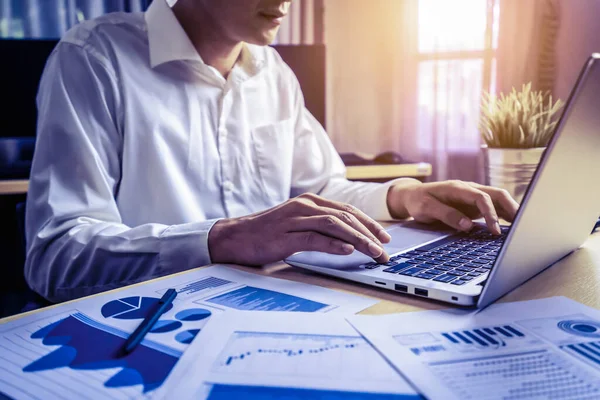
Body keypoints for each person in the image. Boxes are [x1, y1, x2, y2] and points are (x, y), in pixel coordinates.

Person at [25, 0, 519, 303]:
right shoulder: (93, 58)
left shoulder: (273, 72)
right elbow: (56, 254)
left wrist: (405, 197)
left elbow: (322, 190)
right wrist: (222, 239)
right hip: (150, 322)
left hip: (281, 305)